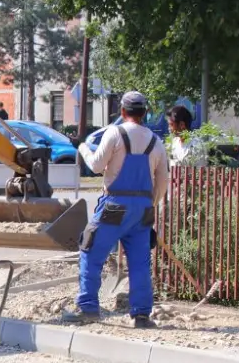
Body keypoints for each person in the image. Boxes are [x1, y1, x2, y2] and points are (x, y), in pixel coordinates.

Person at [66, 90, 170, 328]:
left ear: (122, 111)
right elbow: (163, 181)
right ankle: (141, 315)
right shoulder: (156, 141)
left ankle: (88, 307)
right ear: (145, 113)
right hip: (143, 209)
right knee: (140, 262)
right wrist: (150, 205)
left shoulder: (115, 133)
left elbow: (96, 166)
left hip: (115, 206)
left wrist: (82, 148)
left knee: (91, 251)